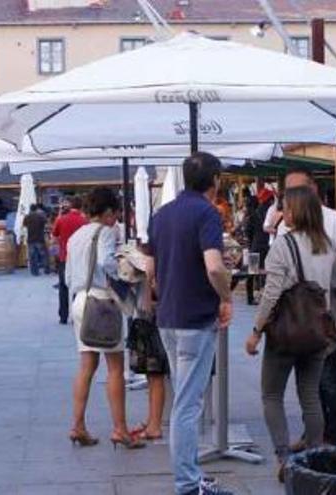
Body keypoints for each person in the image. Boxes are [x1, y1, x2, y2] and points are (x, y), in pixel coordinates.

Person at [245, 186, 336, 482]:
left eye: (285, 208)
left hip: (285, 333)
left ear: (296, 212)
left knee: (272, 395)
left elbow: (272, 293)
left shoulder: (283, 246)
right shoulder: (329, 245)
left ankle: (284, 458)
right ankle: (314, 456)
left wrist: (256, 331)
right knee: (311, 396)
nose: (281, 213)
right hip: (317, 332)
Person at [149, 152, 234, 495]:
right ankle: (187, 483)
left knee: (183, 400)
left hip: (168, 316)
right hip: (195, 319)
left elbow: (152, 270)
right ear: (215, 181)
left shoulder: (162, 214)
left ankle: (190, 475)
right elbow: (214, 266)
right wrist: (226, 297)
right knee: (188, 405)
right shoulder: (206, 213)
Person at [277, 168, 336, 447]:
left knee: (331, 378)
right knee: (306, 380)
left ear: (312, 190)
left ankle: (334, 437)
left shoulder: (335, 221)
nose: (291, 198)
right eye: (288, 192)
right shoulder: (284, 224)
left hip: (327, 313)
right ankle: (312, 433)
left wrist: (323, 266)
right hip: (297, 315)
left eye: (297, 190)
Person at [63, 187, 143, 450]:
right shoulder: (106, 232)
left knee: (86, 365)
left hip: (79, 300)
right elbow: (106, 263)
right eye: (116, 214)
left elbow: (66, 276)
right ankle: (120, 429)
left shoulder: (76, 236)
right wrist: (124, 272)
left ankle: (77, 425)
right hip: (101, 302)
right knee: (116, 368)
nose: (116, 219)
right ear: (108, 212)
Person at [53, 196, 87, 325]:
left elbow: (55, 235)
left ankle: (63, 316)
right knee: (78, 286)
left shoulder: (61, 219)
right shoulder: (84, 221)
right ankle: (76, 315)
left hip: (64, 257)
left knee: (63, 286)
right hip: (80, 257)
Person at [24, 204, 50, 276]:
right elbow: (46, 222)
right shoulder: (40, 216)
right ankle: (46, 270)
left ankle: (35, 272)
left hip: (31, 239)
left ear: (30, 209)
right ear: (36, 209)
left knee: (32, 257)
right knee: (44, 255)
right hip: (39, 238)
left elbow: (24, 225)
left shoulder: (27, 217)